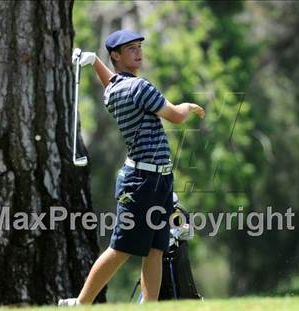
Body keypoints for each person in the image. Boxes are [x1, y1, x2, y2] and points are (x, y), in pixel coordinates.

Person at [59, 30, 205, 306]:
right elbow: (174, 116)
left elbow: (110, 81)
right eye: (130, 49)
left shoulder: (113, 90)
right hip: (142, 180)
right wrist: (187, 106)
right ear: (116, 55)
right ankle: (81, 302)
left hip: (159, 179)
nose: (138, 53)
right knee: (121, 248)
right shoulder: (140, 88)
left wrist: (94, 63)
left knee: (156, 249)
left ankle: (148, 306)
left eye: (139, 47)